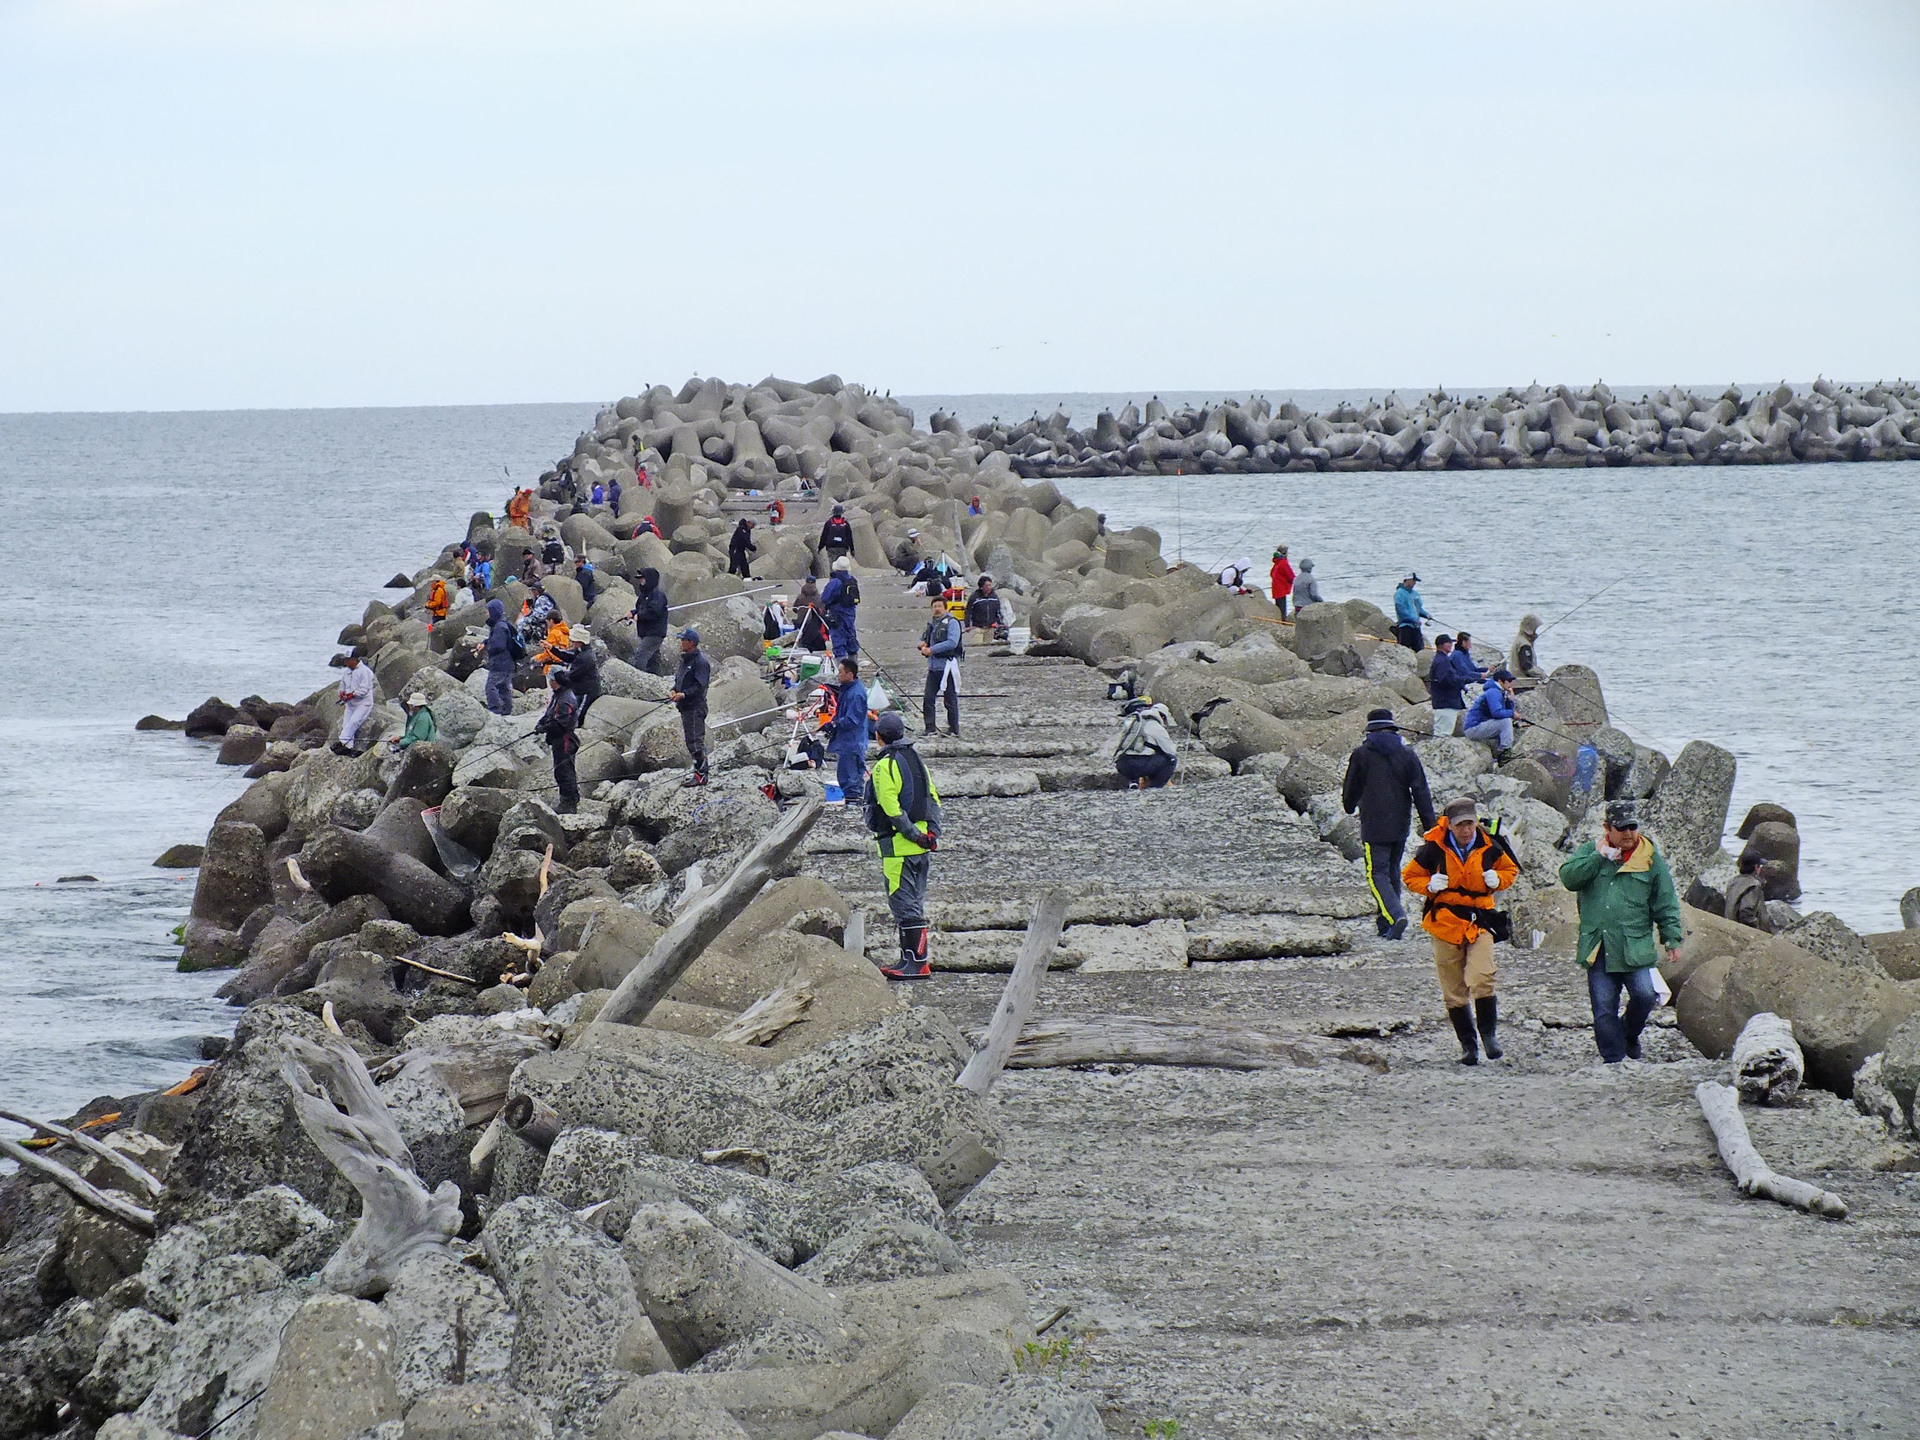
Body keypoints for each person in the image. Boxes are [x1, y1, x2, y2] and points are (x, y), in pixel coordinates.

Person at [1559, 799, 1685, 1064]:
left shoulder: (1650, 859)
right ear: (1608, 828)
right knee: (1604, 1009)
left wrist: (1671, 938)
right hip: (1598, 944)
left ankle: (1629, 1034)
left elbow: (1665, 902)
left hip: (1634, 946)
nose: (1628, 833)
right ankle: (1613, 1060)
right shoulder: (1591, 852)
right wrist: (1598, 857)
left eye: (1632, 827)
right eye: (1621, 828)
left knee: (1645, 995)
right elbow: (1569, 878)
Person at [1403, 797, 1520, 1065]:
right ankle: (1468, 1047)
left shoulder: (1490, 844)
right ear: (1450, 826)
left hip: (1480, 921)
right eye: (1460, 825)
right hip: (1444, 922)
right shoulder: (1433, 849)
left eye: (1470, 823)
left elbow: (1510, 869)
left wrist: (1498, 879)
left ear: (1476, 822)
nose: (1466, 830)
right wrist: (1430, 885)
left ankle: (1489, 1037)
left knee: (1483, 976)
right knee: (1453, 991)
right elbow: (1409, 876)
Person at [1342, 708, 1439, 939]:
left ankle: (1396, 915)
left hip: (1374, 824)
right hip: (1400, 823)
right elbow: (1421, 792)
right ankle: (1386, 923)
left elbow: (1351, 787)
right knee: (1392, 870)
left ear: (1370, 730)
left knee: (1376, 874)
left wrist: (1349, 805)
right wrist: (1431, 827)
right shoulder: (1407, 754)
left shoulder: (1361, 754)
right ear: (1393, 728)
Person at [865, 711, 942, 979]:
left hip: (898, 848)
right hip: (922, 847)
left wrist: (913, 835)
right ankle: (911, 959)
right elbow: (933, 799)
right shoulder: (917, 761)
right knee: (915, 903)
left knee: (903, 905)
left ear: (879, 737)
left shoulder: (884, 767)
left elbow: (891, 809)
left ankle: (916, 962)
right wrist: (931, 834)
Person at [825, 656, 872, 806]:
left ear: (850, 674)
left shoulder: (856, 694)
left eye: (840, 672)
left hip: (853, 743)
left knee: (852, 781)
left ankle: (854, 807)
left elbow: (852, 720)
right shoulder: (848, 689)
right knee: (844, 777)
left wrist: (834, 725)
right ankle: (850, 802)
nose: (838, 675)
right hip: (845, 742)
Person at [533, 670, 582, 813]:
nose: (549, 682)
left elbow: (561, 724)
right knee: (561, 770)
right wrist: (541, 723)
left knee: (564, 771)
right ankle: (567, 800)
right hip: (557, 739)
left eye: (550, 679)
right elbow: (549, 714)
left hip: (565, 739)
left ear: (556, 681)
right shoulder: (559, 695)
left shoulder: (566, 699)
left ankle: (569, 803)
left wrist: (545, 728)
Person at [670, 627, 710, 787]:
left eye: (683, 640)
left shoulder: (701, 662)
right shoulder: (685, 659)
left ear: (691, 643)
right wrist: (674, 690)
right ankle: (698, 773)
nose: (680, 643)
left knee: (695, 742)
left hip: (695, 707)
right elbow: (679, 680)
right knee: (690, 742)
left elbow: (700, 686)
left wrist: (684, 695)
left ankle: (701, 775)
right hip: (685, 707)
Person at [1111, 695, 1179, 789]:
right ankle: (1155, 788)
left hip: (1122, 763)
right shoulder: (1154, 725)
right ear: (1162, 716)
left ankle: (1134, 782)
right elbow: (1170, 750)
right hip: (1139, 764)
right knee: (1170, 760)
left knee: (1144, 754)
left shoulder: (1135, 722)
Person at [920, 593, 962, 737]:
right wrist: (922, 645)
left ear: (945, 608)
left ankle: (954, 729)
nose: (937, 609)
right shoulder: (931, 624)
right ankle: (930, 727)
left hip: (947, 666)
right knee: (928, 698)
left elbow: (952, 642)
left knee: (950, 700)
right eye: (934, 606)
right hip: (933, 668)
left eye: (939, 606)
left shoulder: (952, 623)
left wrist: (932, 650)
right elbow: (923, 638)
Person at [1462, 668, 1517, 754]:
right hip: (1474, 728)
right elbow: (1496, 713)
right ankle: (1505, 753)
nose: (1511, 684)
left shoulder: (1500, 691)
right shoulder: (1493, 692)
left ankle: (1499, 753)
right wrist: (1512, 714)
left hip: (1482, 725)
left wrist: (1510, 700)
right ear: (1500, 681)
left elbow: (1504, 711)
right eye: (1508, 681)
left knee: (1507, 723)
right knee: (1505, 722)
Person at [1426, 635, 1472, 737]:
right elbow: (1444, 680)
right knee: (1443, 733)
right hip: (1446, 702)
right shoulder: (1442, 661)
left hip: (1444, 702)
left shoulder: (1442, 659)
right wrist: (1461, 680)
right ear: (1443, 645)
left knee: (1441, 731)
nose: (1451, 645)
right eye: (1449, 643)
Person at [333, 655, 377, 755]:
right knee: (346, 724)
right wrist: (342, 693)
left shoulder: (365, 671)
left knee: (354, 722)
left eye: (347, 660)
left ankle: (342, 742)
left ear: (354, 660)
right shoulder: (347, 672)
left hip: (363, 703)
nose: (345, 663)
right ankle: (348, 747)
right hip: (350, 704)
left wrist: (352, 694)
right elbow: (342, 685)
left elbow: (364, 690)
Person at [628, 568, 669, 674]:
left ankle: (638, 679)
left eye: (643, 579)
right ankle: (656, 678)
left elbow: (654, 611)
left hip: (654, 633)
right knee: (653, 660)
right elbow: (640, 609)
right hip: (646, 632)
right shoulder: (644, 595)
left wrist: (639, 616)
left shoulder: (658, 595)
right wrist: (632, 613)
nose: (641, 582)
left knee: (641, 655)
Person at [557, 627, 601, 725]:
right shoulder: (582, 651)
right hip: (580, 689)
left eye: (573, 641)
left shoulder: (585, 657)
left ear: (579, 642)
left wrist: (558, 675)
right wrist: (552, 650)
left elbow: (572, 675)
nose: (571, 643)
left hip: (587, 692)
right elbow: (569, 656)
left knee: (578, 718)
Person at [483, 598, 519, 715]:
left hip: (500, 663)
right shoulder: (502, 624)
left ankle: (494, 710)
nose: (486, 613)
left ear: (493, 611)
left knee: (491, 686)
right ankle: (506, 711)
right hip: (507, 664)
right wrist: (485, 642)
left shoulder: (499, 626)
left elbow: (498, 645)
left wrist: (488, 648)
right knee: (504, 688)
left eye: (488, 611)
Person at [821, 556, 860, 659]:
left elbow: (825, 597)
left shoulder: (835, 582)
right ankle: (853, 668)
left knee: (839, 641)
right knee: (851, 639)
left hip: (837, 615)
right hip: (851, 614)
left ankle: (842, 669)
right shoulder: (852, 580)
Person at [1723, 853, 1772, 931]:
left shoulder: (1733, 881)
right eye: (1760, 866)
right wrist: (1757, 928)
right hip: (1745, 931)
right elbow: (1746, 912)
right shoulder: (1753, 885)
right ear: (1756, 867)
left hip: (1730, 926)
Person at [1392, 572, 1433, 652]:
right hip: (1405, 627)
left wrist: (1426, 615)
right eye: (1413, 581)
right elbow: (1401, 611)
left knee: (1420, 649)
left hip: (1416, 627)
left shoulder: (1415, 594)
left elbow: (1419, 609)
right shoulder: (1399, 593)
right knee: (1405, 650)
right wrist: (1413, 620)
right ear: (1408, 580)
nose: (1415, 583)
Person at [790, 576, 828, 653]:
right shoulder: (819, 597)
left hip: (802, 624)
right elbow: (823, 612)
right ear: (815, 583)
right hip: (815, 626)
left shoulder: (800, 597)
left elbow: (794, 608)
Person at [1509, 614, 1547, 684]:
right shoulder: (1524, 644)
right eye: (1534, 630)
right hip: (1523, 683)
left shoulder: (1519, 640)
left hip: (1516, 681)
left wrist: (1532, 640)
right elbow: (1527, 667)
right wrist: (1543, 675)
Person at [1270, 546, 1295, 618]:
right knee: (1282, 608)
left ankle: (1280, 619)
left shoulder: (1277, 562)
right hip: (1281, 589)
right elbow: (1291, 576)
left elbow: (1272, 574)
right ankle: (1283, 620)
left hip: (1276, 588)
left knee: (1279, 605)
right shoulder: (1283, 563)